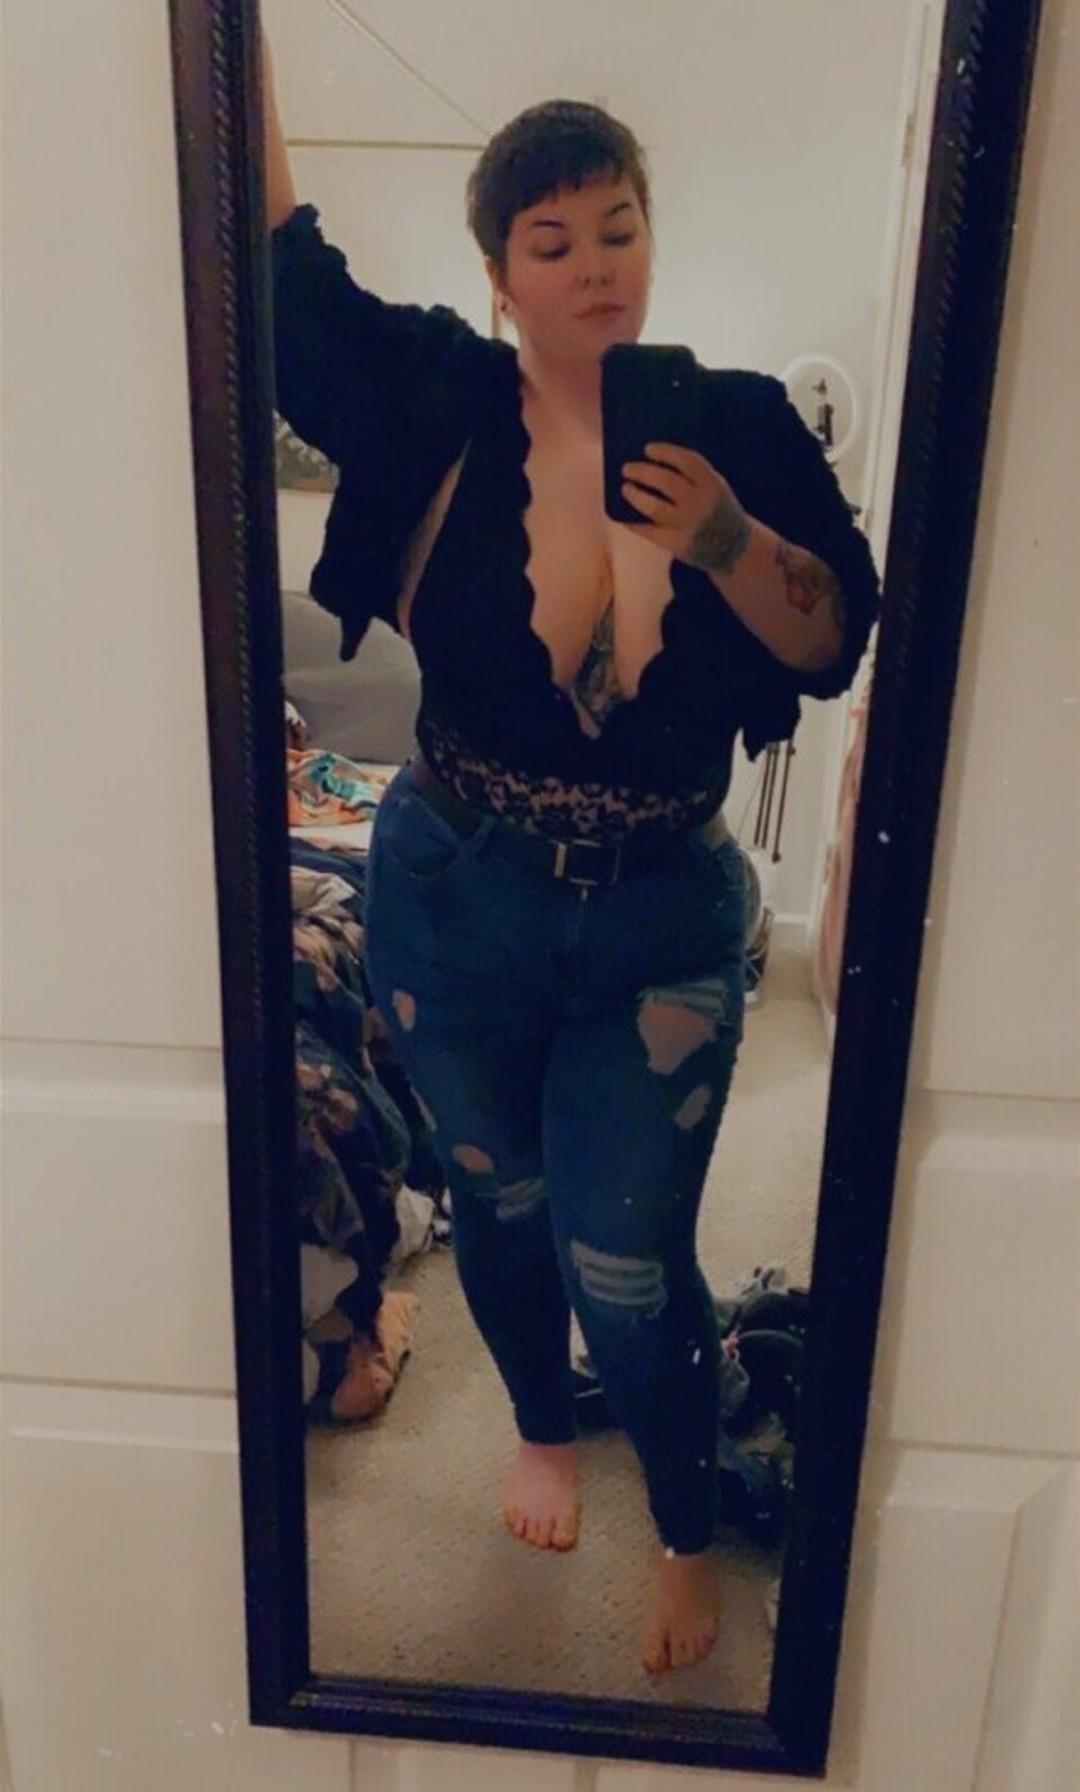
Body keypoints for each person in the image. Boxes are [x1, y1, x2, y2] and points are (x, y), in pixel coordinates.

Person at [262, 28, 881, 1673]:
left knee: (629, 1256)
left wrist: (725, 537)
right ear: (500, 277)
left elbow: (833, 639)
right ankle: (540, 1426)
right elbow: (282, 276)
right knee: (497, 1199)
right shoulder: (437, 399)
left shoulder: (740, 424)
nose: (597, 264)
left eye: (621, 228)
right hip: (452, 887)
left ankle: (681, 1521)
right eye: (554, 241)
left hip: (660, 912)